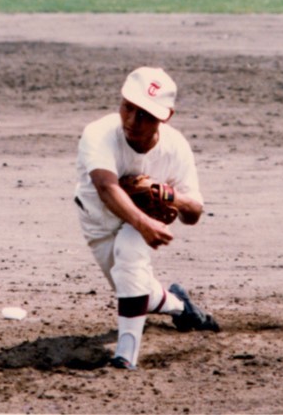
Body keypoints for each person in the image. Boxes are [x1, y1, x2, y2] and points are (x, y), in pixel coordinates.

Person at [73, 66, 219, 370]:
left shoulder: (176, 148)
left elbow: (193, 214)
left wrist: (167, 196)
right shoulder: (99, 133)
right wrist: (145, 223)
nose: (132, 121)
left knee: (129, 256)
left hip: (140, 224)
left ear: (165, 116)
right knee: (134, 288)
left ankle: (125, 356)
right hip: (97, 222)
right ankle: (180, 305)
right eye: (128, 108)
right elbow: (105, 187)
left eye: (145, 115)